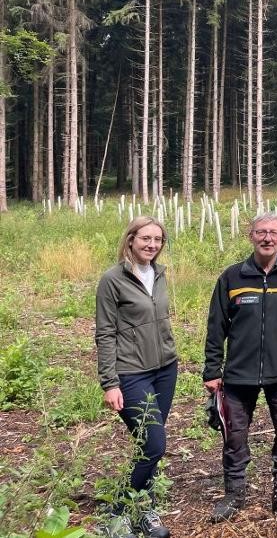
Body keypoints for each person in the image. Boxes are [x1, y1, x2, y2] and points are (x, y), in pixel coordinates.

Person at [203, 213, 277, 524]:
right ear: (250, 236)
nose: (267, 238)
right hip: (238, 376)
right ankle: (234, 493)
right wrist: (212, 370)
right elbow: (216, 328)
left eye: (273, 232)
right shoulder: (231, 278)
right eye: (260, 232)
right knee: (234, 436)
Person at [96, 216, 177, 538]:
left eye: (158, 240)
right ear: (130, 239)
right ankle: (115, 513)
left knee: (148, 445)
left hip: (165, 369)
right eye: (145, 238)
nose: (152, 245)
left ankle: (144, 510)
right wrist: (110, 382)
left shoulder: (158, 274)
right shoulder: (112, 279)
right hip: (131, 373)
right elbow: (104, 333)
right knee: (154, 444)